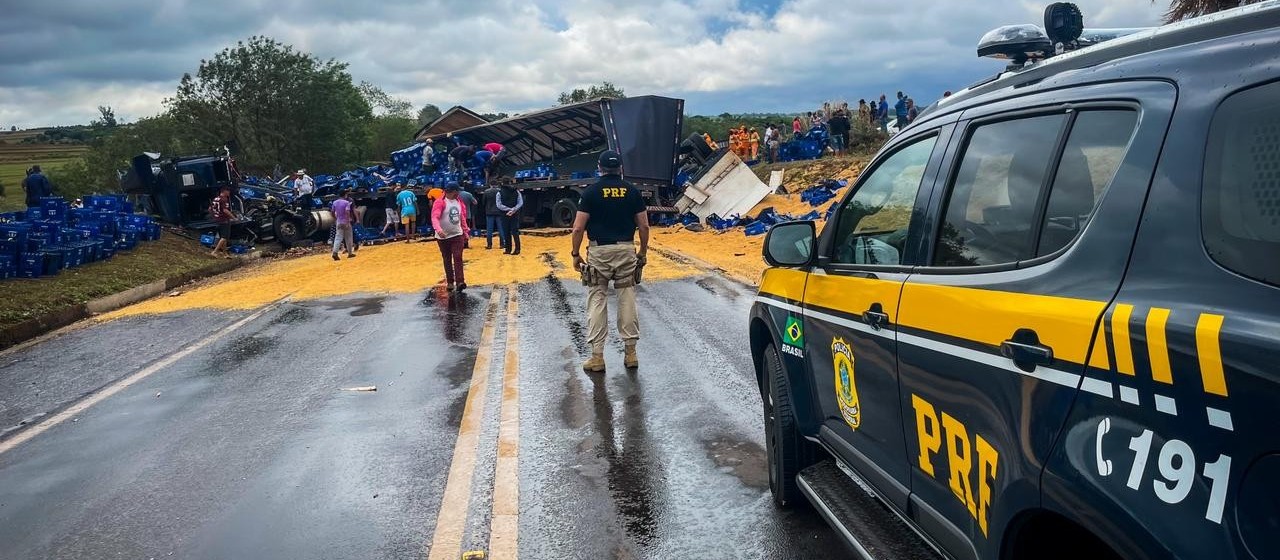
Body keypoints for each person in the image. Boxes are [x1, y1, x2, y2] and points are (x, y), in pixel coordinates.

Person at [570, 150, 649, 373]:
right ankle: (631, 353)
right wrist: (642, 252)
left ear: (599, 167)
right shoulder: (632, 191)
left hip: (599, 252)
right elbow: (643, 226)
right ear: (620, 168)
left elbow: (578, 227)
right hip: (626, 250)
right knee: (627, 298)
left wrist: (576, 254)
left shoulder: (591, 192)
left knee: (597, 299)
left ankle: (597, 357)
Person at [431, 182, 471, 291]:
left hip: (457, 234)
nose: (459, 192)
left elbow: (462, 217)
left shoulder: (459, 202)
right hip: (443, 237)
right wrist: (438, 230)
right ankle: (450, 281)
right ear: (454, 191)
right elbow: (435, 217)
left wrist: (465, 231)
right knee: (447, 258)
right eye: (458, 191)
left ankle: (460, 281)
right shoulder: (440, 202)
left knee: (458, 257)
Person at [496, 181, 523, 255]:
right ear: (510, 183)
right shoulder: (516, 191)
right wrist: (513, 210)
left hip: (504, 214)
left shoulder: (499, 193)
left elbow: (499, 205)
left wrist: (508, 209)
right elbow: (520, 203)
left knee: (506, 231)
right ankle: (517, 249)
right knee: (515, 232)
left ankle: (508, 249)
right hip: (515, 214)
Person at [331, 189, 358, 261]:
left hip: (339, 221)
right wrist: (348, 220)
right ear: (345, 195)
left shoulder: (335, 202)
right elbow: (347, 212)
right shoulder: (347, 202)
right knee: (349, 237)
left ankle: (335, 252)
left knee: (338, 237)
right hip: (346, 222)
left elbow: (332, 212)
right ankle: (350, 253)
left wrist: (335, 219)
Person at [209, 184, 235, 258]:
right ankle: (215, 252)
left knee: (223, 238)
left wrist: (215, 215)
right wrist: (233, 217)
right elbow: (225, 210)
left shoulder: (216, 199)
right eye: (228, 191)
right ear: (225, 191)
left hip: (218, 220)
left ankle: (225, 253)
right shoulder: (224, 199)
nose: (229, 192)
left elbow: (210, 209)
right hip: (224, 220)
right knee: (224, 237)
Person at [482, 183, 506, 250]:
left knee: (489, 229)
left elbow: (483, 202)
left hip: (489, 212)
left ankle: (489, 245)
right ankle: (502, 244)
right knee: (501, 228)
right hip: (499, 212)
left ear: (490, 185)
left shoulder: (486, 191)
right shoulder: (500, 191)